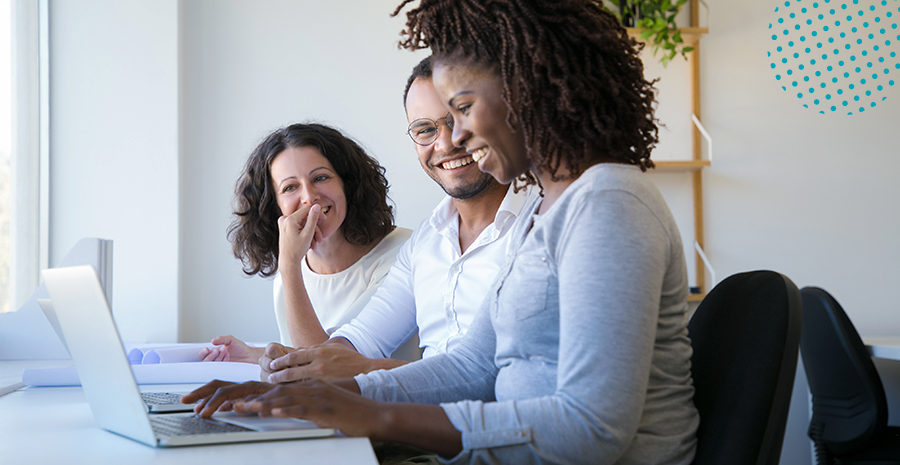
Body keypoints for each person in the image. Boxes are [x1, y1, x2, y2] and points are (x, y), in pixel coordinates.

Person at [184, 1, 700, 463]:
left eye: (463, 108)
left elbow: (592, 430)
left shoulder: (608, 203)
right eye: (438, 121)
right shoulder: (543, 210)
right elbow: (473, 366)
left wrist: (374, 416)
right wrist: (343, 397)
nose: (459, 135)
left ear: (526, 89)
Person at [251, 57, 537, 383]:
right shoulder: (425, 243)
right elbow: (357, 344)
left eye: (459, 118)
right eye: (426, 129)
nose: (445, 143)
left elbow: (497, 379)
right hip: (419, 425)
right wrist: (294, 362)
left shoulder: (540, 222)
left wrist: (348, 367)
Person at [200, 123, 412, 364]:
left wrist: (289, 264)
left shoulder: (404, 253)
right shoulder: (290, 273)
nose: (309, 197)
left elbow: (322, 369)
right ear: (274, 205)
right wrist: (253, 355)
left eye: (320, 178)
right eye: (290, 187)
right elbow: (302, 355)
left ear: (348, 184)